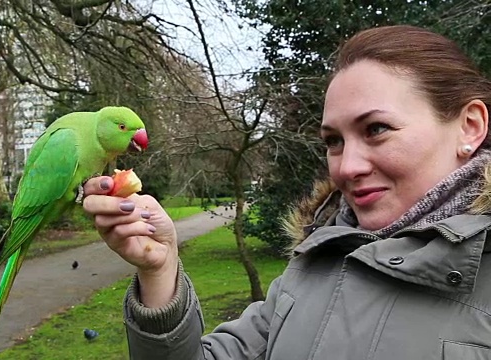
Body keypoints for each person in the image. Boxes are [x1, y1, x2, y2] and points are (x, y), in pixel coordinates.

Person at [82, 25, 491, 359]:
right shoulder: (314, 264)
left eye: (377, 129)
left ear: (470, 126)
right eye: (333, 141)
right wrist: (160, 269)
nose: (347, 167)